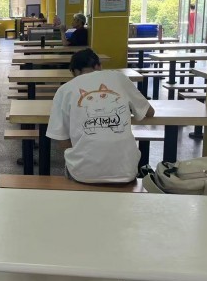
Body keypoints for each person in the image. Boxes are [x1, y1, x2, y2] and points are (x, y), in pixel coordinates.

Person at [47, 49, 154, 184]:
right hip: (126, 171)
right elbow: (149, 112)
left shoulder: (64, 90)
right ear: (99, 66)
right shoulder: (119, 78)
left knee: (71, 161)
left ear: (74, 72)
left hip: (82, 174)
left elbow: (62, 141)